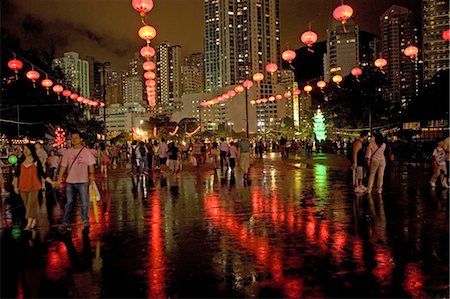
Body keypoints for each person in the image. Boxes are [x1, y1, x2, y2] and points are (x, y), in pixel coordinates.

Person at [57, 131, 96, 233]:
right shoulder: (68, 152)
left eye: (76, 138)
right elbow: (63, 166)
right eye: (72, 138)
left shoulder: (86, 152)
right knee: (69, 202)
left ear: (81, 139)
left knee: (84, 202)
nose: (73, 139)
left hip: (83, 181)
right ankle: (65, 222)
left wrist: (92, 175)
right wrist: (59, 178)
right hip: (70, 181)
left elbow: (91, 165)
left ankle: (85, 221)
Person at [12, 144, 55, 231]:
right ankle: (33, 218)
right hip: (22, 187)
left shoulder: (36, 162)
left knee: (30, 204)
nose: (25, 151)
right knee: (26, 205)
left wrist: (51, 182)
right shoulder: (20, 162)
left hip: (34, 186)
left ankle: (28, 225)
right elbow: (16, 175)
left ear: (32, 150)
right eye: (24, 149)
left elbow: (43, 174)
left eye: (27, 149)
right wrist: (15, 187)